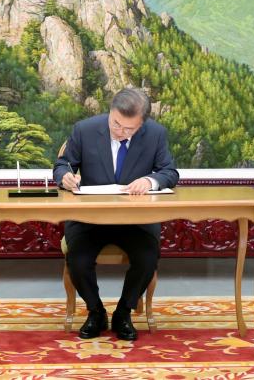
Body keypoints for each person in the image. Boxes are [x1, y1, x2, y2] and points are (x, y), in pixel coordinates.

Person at [53, 88, 179, 341]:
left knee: (147, 257)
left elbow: (170, 172)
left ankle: (124, 312)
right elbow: (62, 164)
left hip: (135, 219)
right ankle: (95, 311)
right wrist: (64, 177)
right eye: (116, 124)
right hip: (90, 218)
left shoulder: (155, 134)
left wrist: (150, 181)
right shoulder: (85, 129)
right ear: (110, 112)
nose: (120, 132)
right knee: (77, 260)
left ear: (142, 124)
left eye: (129, 129)